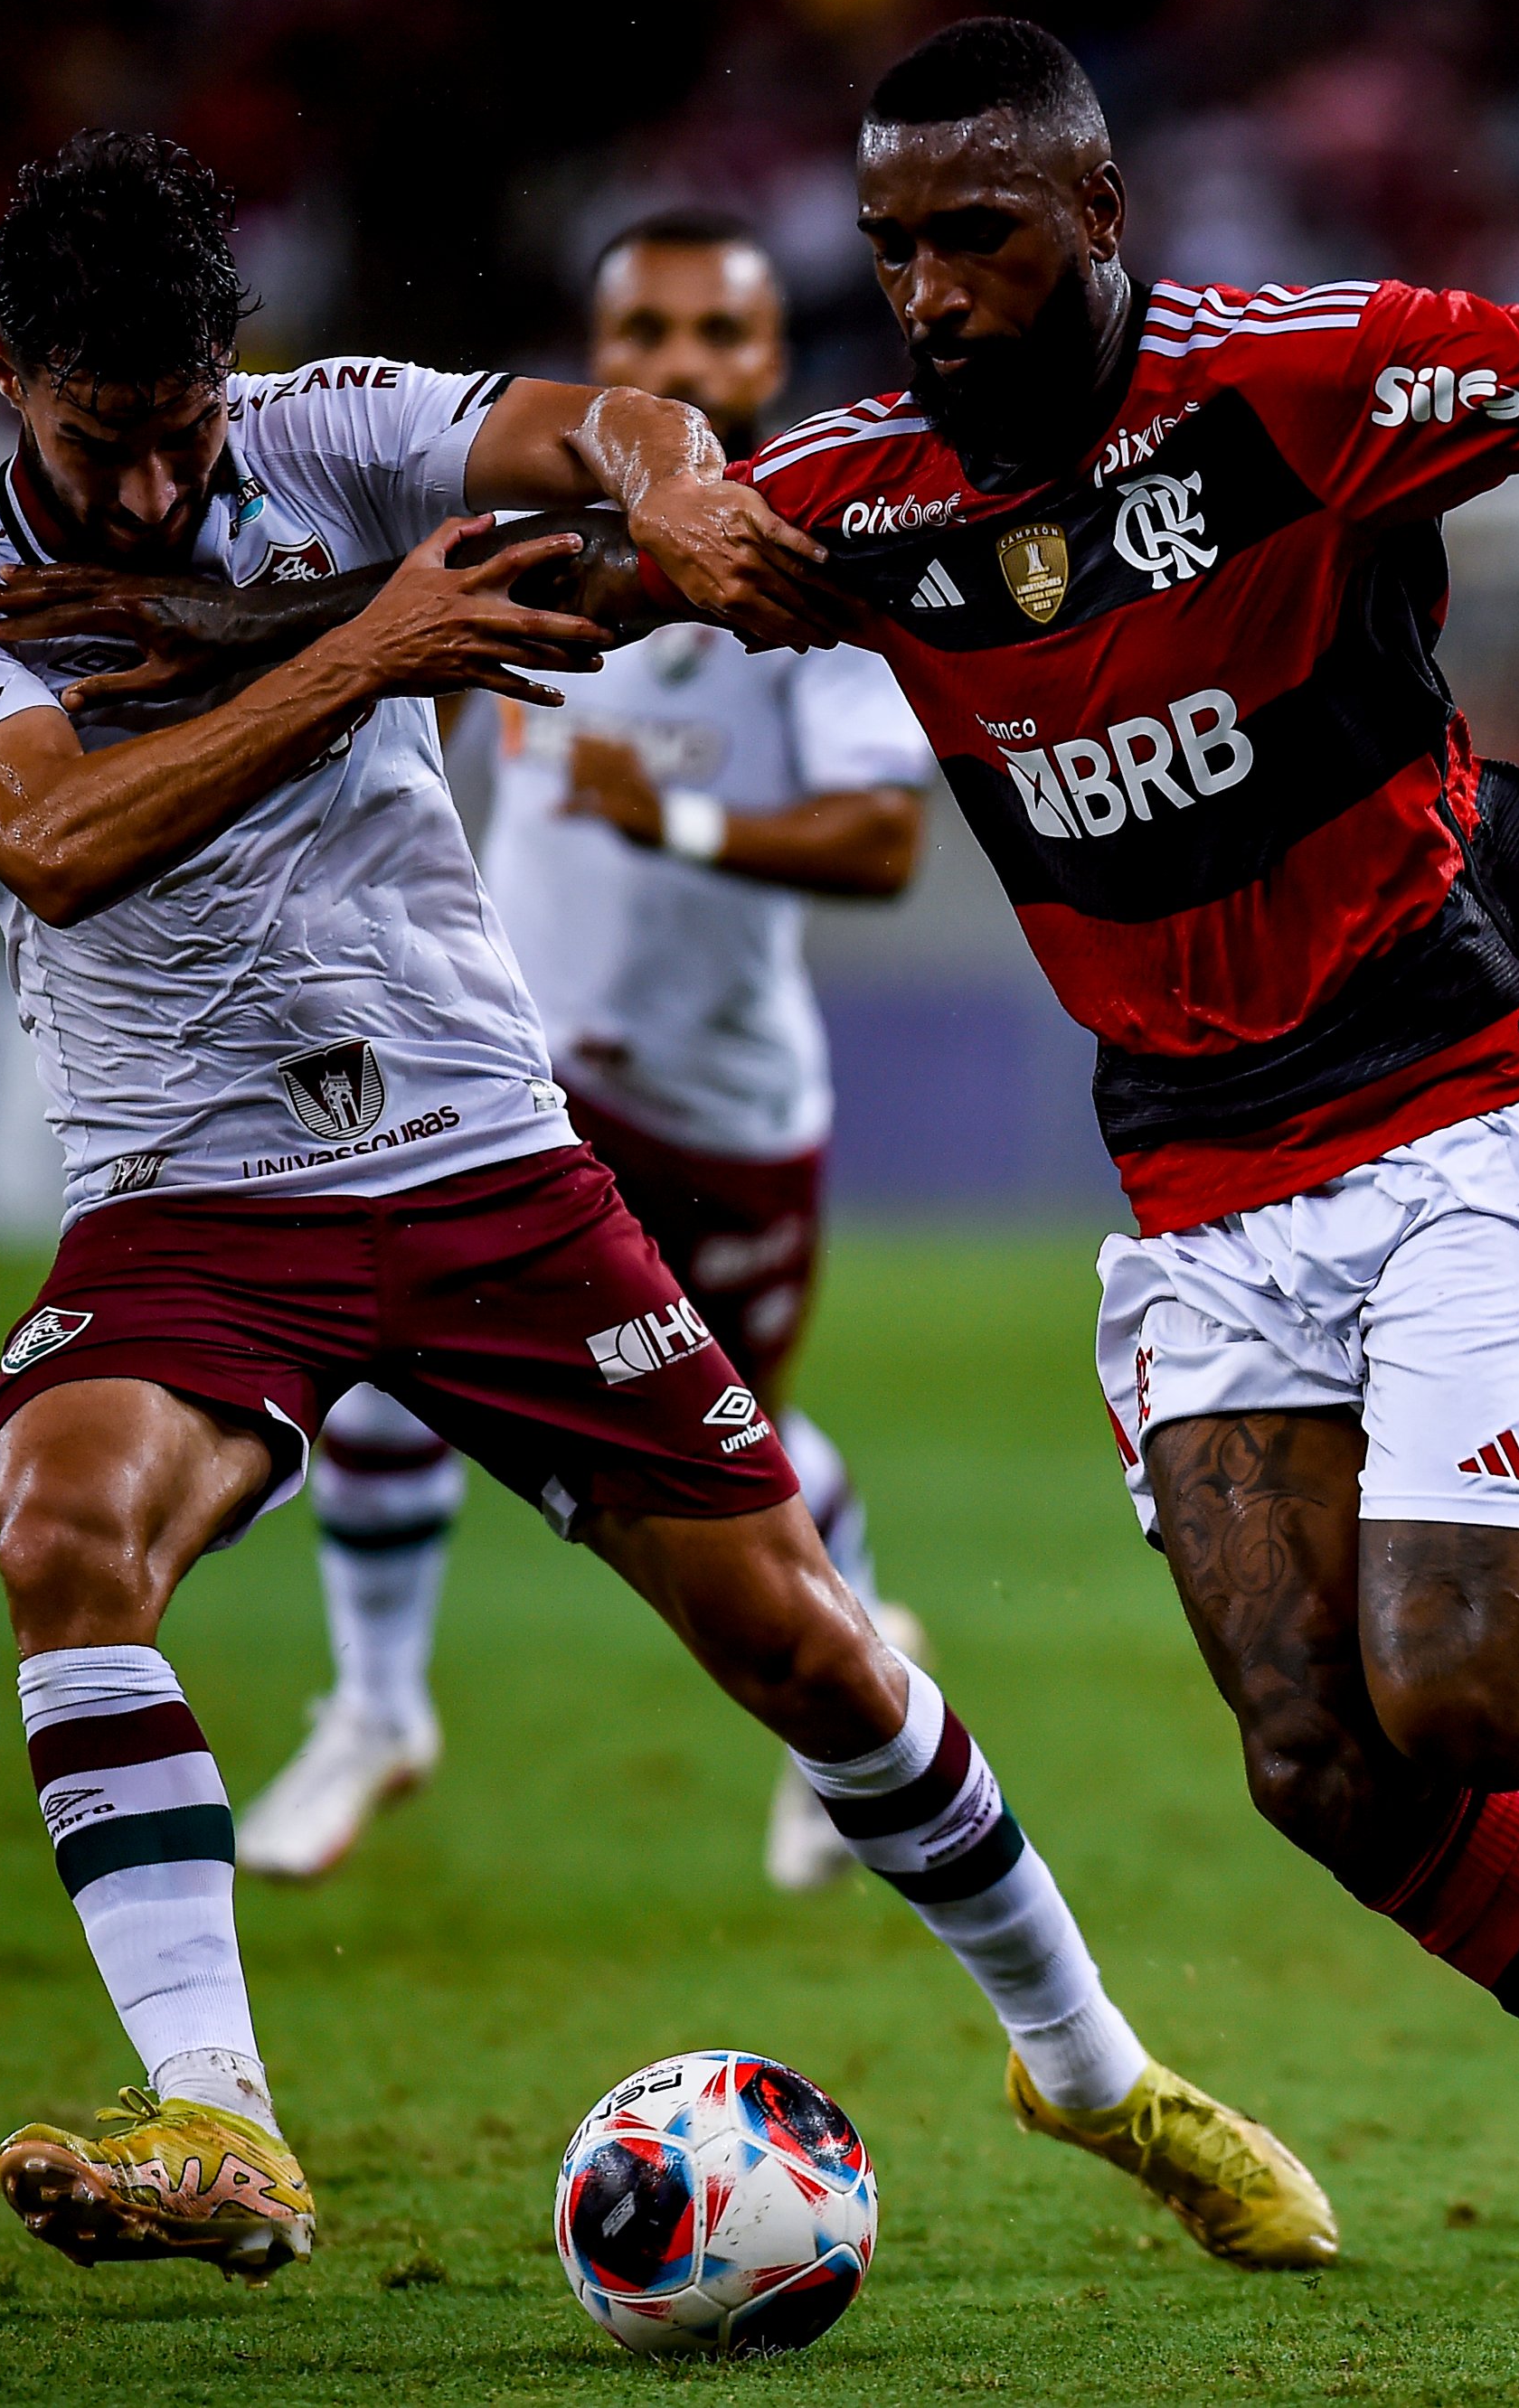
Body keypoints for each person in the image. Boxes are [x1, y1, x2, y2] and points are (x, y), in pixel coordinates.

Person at [22, 23, 1519, 2328]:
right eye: (893, 246)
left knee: (1473, 1703)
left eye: (977, 235)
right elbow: (541, 592)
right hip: (1203, 1189)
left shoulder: (1294, 386)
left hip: (1453, 1109)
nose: (928, 290)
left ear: (1098, 214)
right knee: (1319, 1767)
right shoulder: (865, 495)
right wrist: (208, 632)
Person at [0, 131, 1330, 2286]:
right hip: (193, 1187)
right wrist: (375, 645)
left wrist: (672, 483)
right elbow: (57, 842)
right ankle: (220, 2116)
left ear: (225, 372)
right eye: (104, 441)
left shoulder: (323, 432)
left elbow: (602, 422)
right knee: (65, 1528)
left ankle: (1094, 2069)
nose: (157, 485)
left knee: (803, 1644)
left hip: (480, 1153)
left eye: (182, 428)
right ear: (4, 373)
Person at [238, 212, 947, 1896]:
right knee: (386, 1357)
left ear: (769, 362)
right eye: (648, 333)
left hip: (724, 1099)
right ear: (598, 354)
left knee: (733, 1446)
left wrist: (674, 815)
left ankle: (856, 1679)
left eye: (719, 333)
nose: (682, 361)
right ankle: (375, 1706)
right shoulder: (514, 544)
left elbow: (880, 843)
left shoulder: (807, 560)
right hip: (519, 1069)